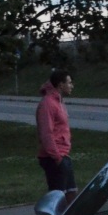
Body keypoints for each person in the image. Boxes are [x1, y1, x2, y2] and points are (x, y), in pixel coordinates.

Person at [36, 68, 76, 197]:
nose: (72, 86)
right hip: (53, 157)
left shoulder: (58, 101)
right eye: (69, 83)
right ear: (60, 84)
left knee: (72, 194)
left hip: (63, 155)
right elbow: (46, 133)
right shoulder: (48, 104)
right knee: (59, 198)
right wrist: (57, 158)